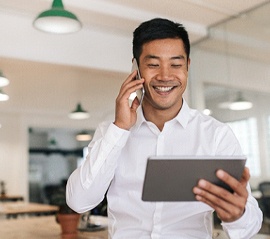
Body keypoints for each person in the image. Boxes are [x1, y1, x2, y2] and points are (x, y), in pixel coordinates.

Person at [66, 18, 262, 238]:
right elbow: (79, 201)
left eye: (176, 64)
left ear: (187, 66)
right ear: (136, 68)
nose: (165, 76)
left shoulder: (215, 135)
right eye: (153, 64)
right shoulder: (111, 132)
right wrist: (120, 128)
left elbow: (251, 225)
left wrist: (238, 215)